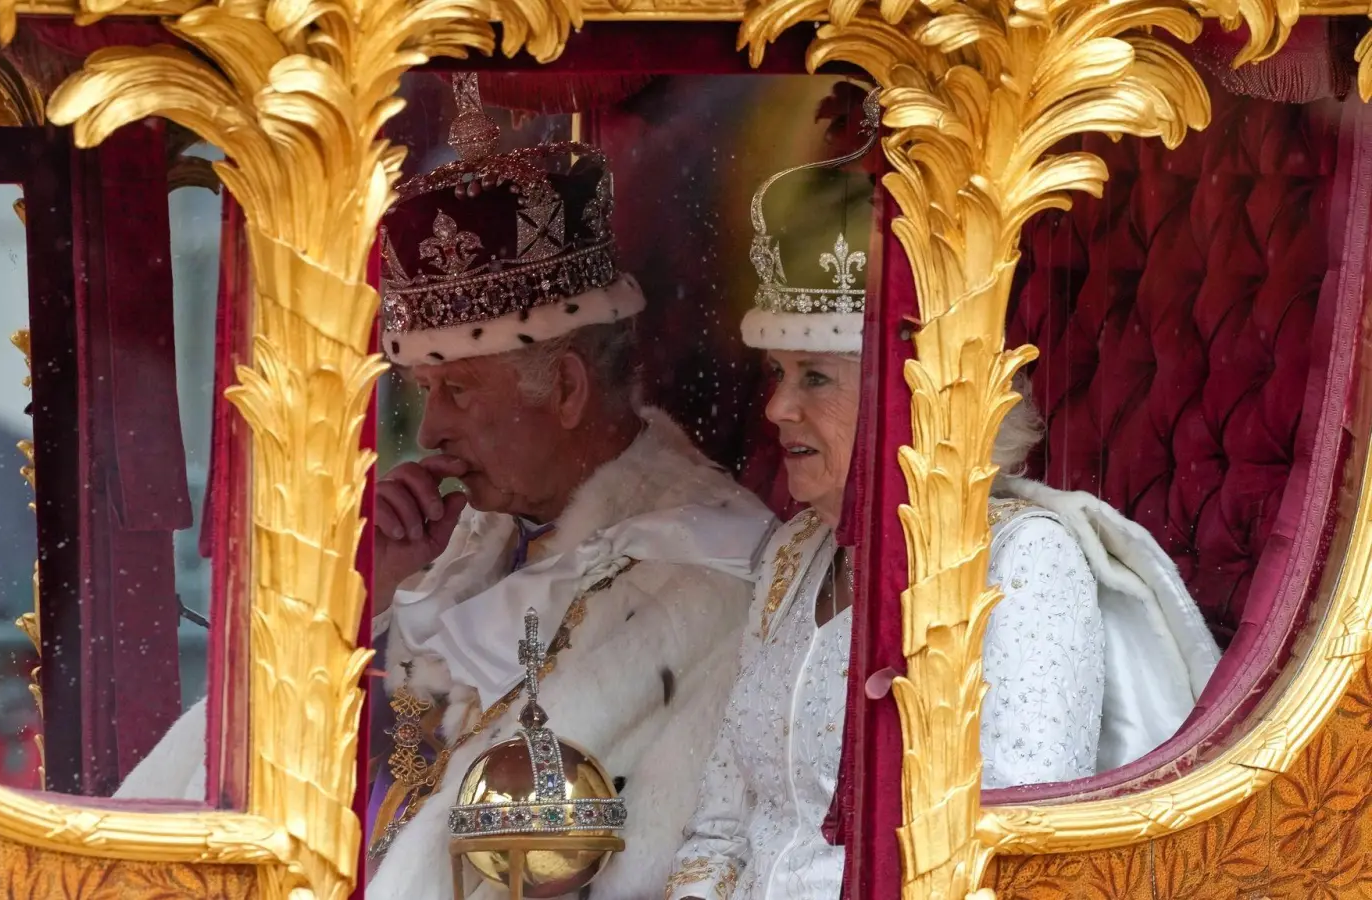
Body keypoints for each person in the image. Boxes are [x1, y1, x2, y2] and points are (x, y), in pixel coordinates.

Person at [664, 103, 1222, 900]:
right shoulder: (795, 555)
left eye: (813, 379)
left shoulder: (1022, 559)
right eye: (778, 375)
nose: (778, 409)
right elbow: (720, 825)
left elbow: (1013, 853)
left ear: (907, 394)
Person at [362, 77, 775, 900]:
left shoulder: (707, 574)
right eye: (423, 394)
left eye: (460, 392)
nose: (431, 432)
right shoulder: (480, 533)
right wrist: (377, 599)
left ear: (567, 390)